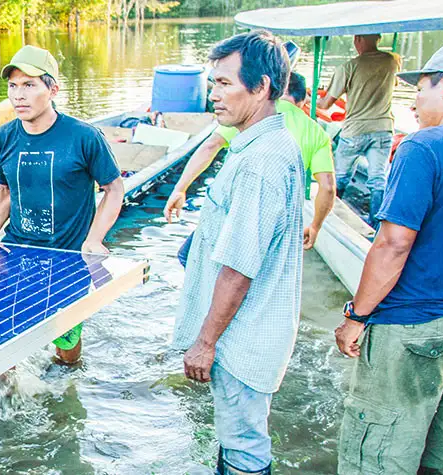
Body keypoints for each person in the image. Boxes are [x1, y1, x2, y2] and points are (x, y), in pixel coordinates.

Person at [334, 41, 443, 475]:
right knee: (440, 452)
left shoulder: (423, 147)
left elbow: (393, 243)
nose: (414, 100)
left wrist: (357, 315)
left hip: (413, 322)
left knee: (378, 454)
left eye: (420, 89)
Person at [172, 31, 303, 475]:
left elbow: (238, 268)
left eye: (225, 84)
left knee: (244, 444)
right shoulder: (255, 144)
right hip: (247, 329)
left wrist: (205, 342)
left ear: (262, 87)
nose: (214, 95)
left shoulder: (261, 161)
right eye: (212, 84)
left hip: (242, 337)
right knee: (236, 437)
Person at [0, 45, 125, 365]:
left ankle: (67, 379)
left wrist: (93, 239)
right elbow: (5, 192)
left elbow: (114, 188)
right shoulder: (4, 137)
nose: (18, 95)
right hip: (15, 254)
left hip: (67, 257)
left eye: (29, 85)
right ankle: (9, 394)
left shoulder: (83, 137)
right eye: (13, 86)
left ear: (52, 90)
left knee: (65, 345)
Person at [166, 71, 336, 266]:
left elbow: (210, 145)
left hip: (237, 208)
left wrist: (180, 188)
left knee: (190, 258)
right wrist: (315, 226)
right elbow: (328, 187)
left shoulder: (255, 113)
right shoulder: (316, 132)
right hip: (277, 219)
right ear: (301, 101)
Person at [317, 34, 402, 224]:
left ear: (359, 39)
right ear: (378, 39)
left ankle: (329, 216)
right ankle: (376, 224)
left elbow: (326, 104)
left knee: (340, 176)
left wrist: (312, 99)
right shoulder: (391, 62)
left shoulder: (349, 67)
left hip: (355, 130)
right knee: (378, 179)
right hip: (383, 128)